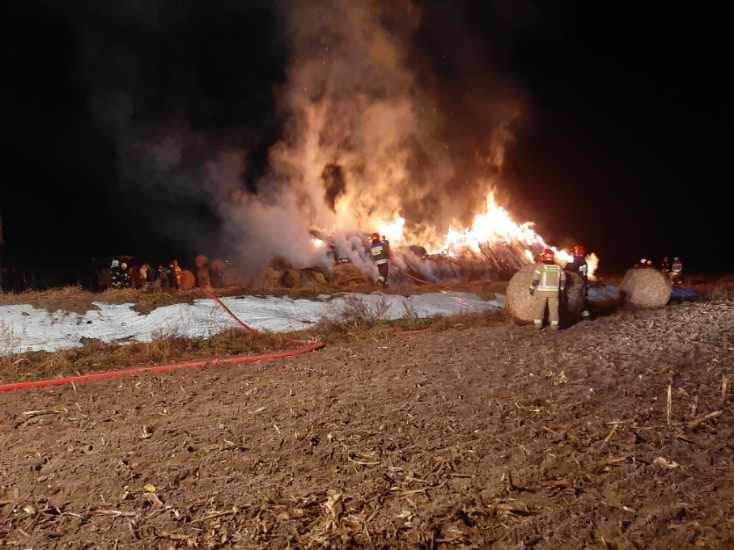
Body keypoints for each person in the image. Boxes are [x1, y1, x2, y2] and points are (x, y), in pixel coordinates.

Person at [529, 248, 566, 330]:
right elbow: (563, 279)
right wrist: (562, 289)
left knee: (539, 308)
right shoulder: (558, 267)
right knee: (554, 309)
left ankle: (538, 325)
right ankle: (554, 326)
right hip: (554, 293)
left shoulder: (540, 267)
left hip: (542, 292)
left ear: (544, 257)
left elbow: (535, 279)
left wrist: (531, 288)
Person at [568, 244, 590, 319]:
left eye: (574, 252)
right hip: (584, 282)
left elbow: (572, 269)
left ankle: (576, 315)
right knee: (583, 298)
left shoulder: (577, 261)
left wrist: (567, 265)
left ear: (576, 252)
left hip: (578, 283)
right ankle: (586, 315)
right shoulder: (584, 261)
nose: (572, 253)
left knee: (576, 300)